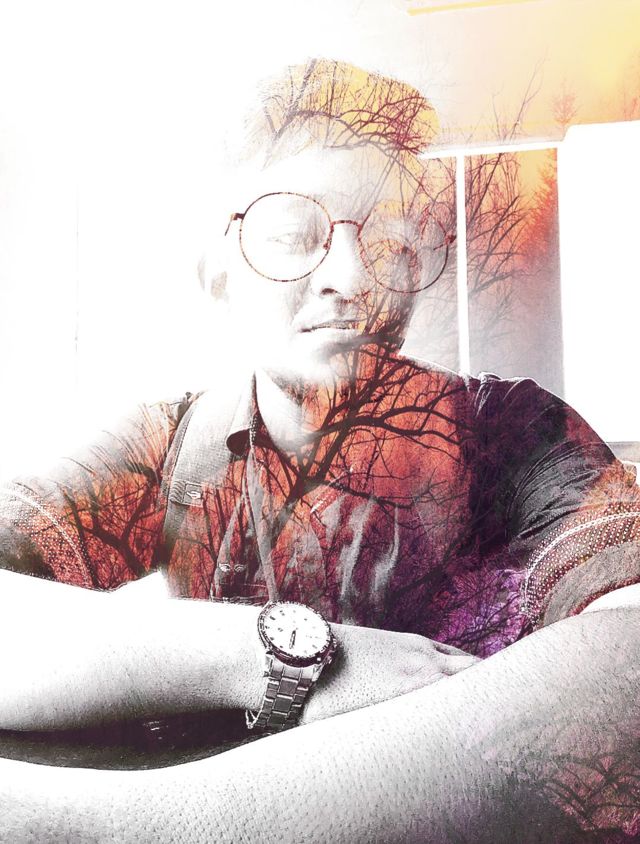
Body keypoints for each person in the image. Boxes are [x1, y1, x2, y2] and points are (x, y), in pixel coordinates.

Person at [1, 58, 640, 842]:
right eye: (291, 235)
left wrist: (107, 828)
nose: (349, 276)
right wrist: (287, 657)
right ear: (218, 275)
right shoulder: (164, 447)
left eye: (392, 240)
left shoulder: (511, 433)